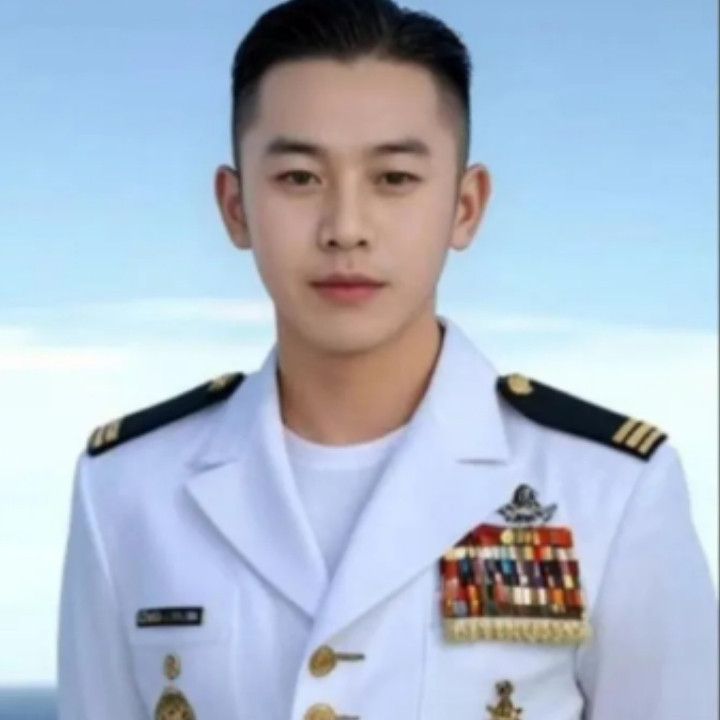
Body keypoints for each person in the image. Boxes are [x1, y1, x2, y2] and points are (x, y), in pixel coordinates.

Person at [57, 0, 718, 718]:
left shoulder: (610, 490)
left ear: (465, 206)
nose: (346, 228)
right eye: (299, 177)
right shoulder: (127, 489)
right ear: (236, 206)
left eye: (394, 178)